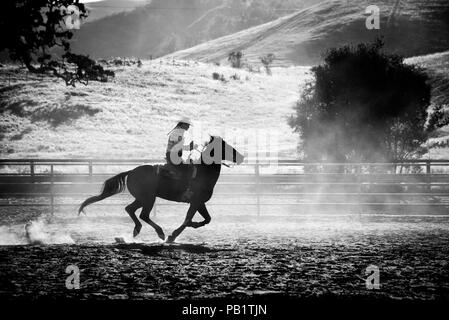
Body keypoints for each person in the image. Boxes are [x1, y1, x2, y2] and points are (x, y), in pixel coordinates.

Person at [165, 116, 196, 199]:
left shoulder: (179, 132)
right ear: (183, 124)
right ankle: (184, 192)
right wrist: (189, 147)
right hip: (173, 156)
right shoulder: (178, 132)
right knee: (187, 169)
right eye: (188, 125)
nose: (189, 127)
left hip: (174, 156)